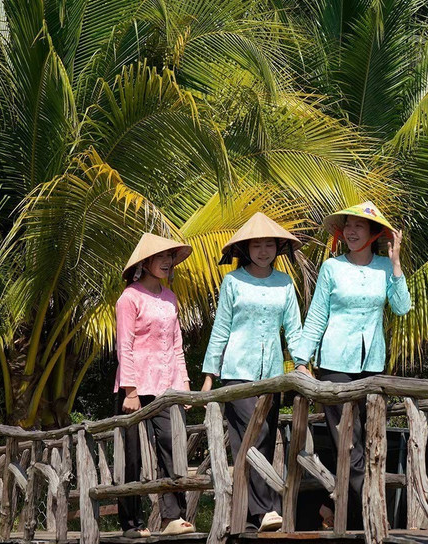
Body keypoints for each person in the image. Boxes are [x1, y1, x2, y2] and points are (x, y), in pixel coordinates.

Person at [291, 201, 411, 529]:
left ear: (374, 234)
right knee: (345, 436)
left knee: (369, 438)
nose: (352, 231)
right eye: (348, 225)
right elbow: (317, 314)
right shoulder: (332, 268)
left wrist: (397, 263)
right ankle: (368, 511)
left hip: (372, 362)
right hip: (334, 362)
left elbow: (402, 307)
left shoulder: (386, 267)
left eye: (360, 226)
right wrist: (302, 360)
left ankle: (335, 511)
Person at [201, 212, 304, 532]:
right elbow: (220, 329)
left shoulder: (285, 283)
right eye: (256, 245)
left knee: (264, 438)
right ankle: (265, 510)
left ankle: (247, 515)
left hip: (271, 373)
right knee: (250, 437)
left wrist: (301, 363)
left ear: (278, 248)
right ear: (246, 249)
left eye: (269, 245)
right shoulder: (233, 281)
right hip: (237, 371)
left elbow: (294, 328)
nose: (263, 251)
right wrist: (208, 375)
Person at [115, 232, 195, 538]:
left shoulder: (171, 298)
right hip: (135, 388)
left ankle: (174, 517)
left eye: (170, 257)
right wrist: (130, 391)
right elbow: (125, 345)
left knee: (172, 448)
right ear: (145, 262)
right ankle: (131, 524)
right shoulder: (129, 298)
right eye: (160, 257)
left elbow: (177, 346)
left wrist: (184, 384)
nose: (166, 261)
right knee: (131, 457)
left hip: (169, 387)